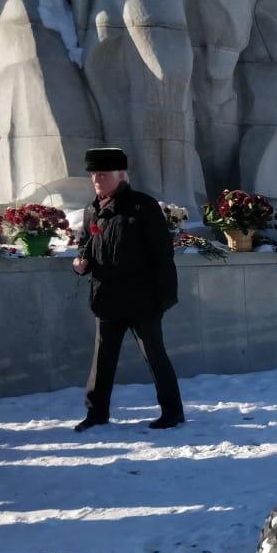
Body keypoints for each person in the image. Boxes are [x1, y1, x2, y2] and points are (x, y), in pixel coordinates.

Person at [72, 147, 184, 432]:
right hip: (106, 297)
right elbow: (85, 244)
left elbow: (162, 255)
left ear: (120, 175)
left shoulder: (142, 206)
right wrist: (80, 263)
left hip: (142, 300)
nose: (97, 179)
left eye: (103, 174)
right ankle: (96, 413)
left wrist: (163, 298)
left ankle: (172, 412)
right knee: (102, 360)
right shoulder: (91, 209)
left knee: (155, 356)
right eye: (93, 174)